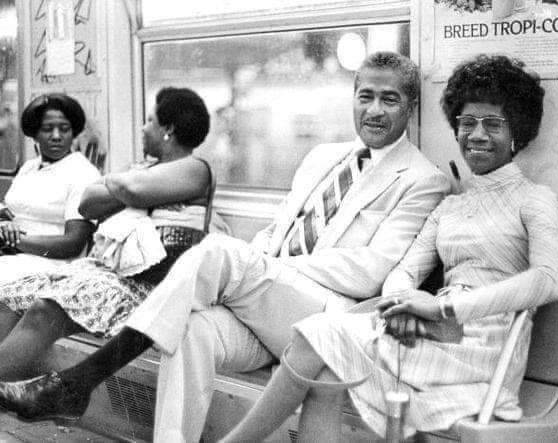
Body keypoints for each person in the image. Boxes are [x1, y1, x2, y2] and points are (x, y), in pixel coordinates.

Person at [0, 52, 451, 440]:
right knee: (193, 330)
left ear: (409, 107)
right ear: (353, 97)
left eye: (389, 99)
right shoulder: (321, 158)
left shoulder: (422, 179)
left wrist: (262, 269)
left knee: (219, 253)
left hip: (329, 314)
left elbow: (372, 270)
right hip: (269, 302)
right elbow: (276, 230)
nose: (374, 109)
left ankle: (79, 382)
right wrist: (260, 266)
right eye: (365, 95)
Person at [219, 54, 558, 442]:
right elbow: (405, 271)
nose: (477, 135)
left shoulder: (535, 200)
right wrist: (403, 304)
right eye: (467, 123)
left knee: (318, 337)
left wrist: (443, 307)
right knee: (328, 365)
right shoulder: (451, 204)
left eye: (493, 124)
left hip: (485, 349)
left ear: (517, 130)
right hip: (437, 332)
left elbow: (549, 280)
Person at [0, 87, 229, 381]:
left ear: (168, 130)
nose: (144, 129)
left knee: (46, 308)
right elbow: (88, 203)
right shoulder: (143, 169)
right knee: (11, 294)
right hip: (110, 272)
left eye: (150, 121)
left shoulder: (196, 169)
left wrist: (121, 184)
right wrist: (129, 186)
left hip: (149, 285)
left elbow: (130, 189)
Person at [0, 93, 100, 283]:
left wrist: (13, 241)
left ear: (73, 132)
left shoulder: (82, 173)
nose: (56, 136)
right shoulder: (29, 167)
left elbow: (73, 244)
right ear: (35, 134)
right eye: (47, 129)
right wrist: (4, 224)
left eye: (64, 129)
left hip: (51, 264)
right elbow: (12, 211)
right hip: (13, 256)